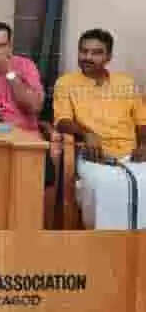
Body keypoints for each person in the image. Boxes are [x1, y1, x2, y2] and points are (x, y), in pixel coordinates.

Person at [54, 28, 146, 229]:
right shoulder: (66, 83)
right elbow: (62, 120)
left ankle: (139, 242)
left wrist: (144, 145)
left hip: (131, 153)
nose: (87, 57)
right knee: (104, 185)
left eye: (96, 52)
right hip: (94, 155)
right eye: (83, 51)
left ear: (108, 57)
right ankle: (104, 241)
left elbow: (142, 121)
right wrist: (86, 133)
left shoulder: (126, 83)